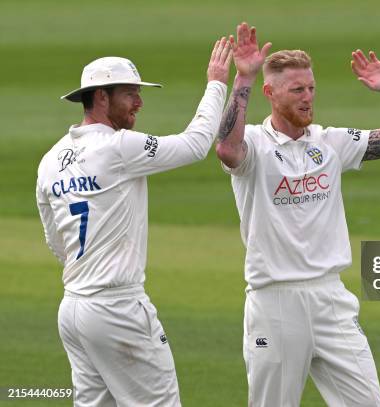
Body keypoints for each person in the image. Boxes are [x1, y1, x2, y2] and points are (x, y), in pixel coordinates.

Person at [215, 22, 380, 406]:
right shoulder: (256, 146)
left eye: (311, 88)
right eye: (297, 89)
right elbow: (227, 150)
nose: (308, 97)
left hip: (331, 299)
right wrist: (243, 77)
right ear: (270, 93)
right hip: (275, 301)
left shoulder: (330, 143)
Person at [36, 39, 231, 406]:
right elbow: (195, 144)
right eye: (130, 94)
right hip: (118, 307)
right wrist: (217, 82)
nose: (139, 103)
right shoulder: (118, 147)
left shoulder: (49, 161)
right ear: (101, 98)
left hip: (74, 309)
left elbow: (56, 242)